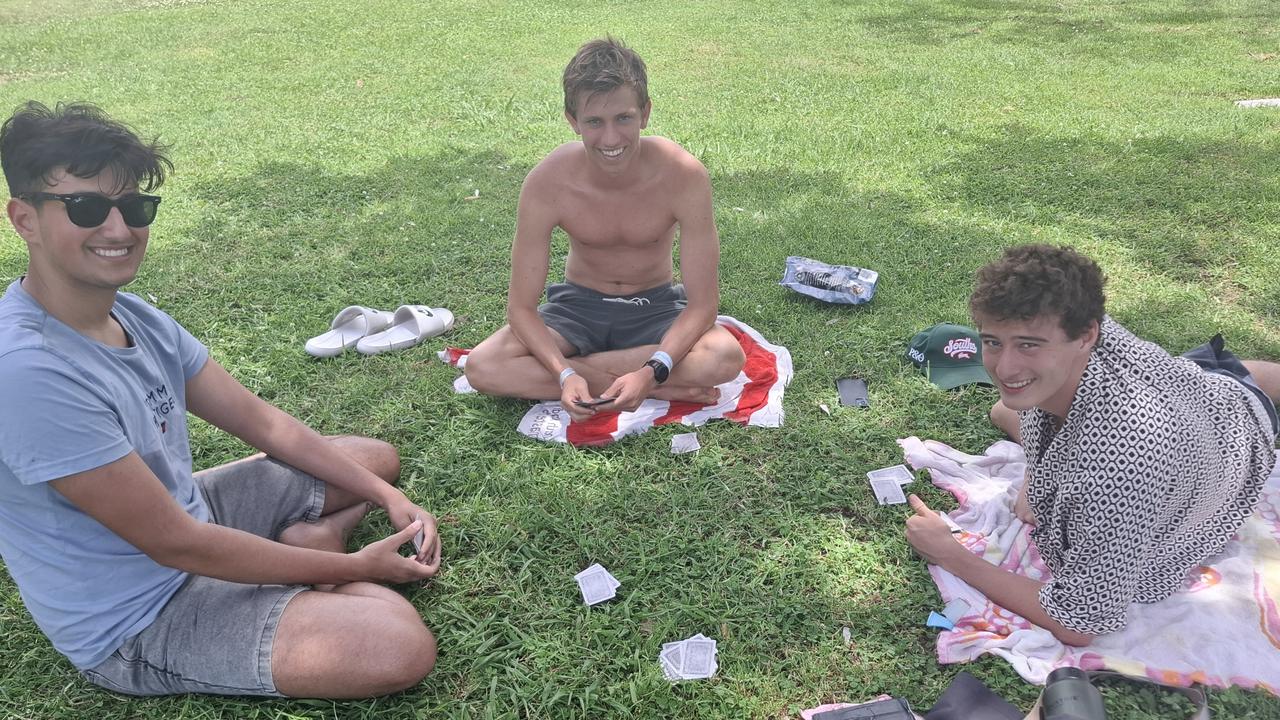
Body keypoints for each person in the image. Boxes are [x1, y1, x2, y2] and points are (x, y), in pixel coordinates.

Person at [0, 101, 442, 698]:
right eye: (85, 207)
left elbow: (265, 424)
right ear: (24, 219)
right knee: (394, 644)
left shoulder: (130, 314)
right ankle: (312, 566)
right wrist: (355, 570)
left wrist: (388, 497)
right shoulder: (28, 372)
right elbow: (174, 544)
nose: (119, 229)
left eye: (133, 206)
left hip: (188, 515)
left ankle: (304, 551)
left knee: (370, 461)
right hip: (137, 616)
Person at [906, 244, 1279, 646]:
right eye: (993, 342)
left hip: (1233, 419)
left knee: (1248, 386)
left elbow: (1081, 622)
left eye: (1028, 345)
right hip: (1187, 385)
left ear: (1088, 337)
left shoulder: (1117, 472)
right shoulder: (1073, 314)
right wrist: (1038, 474)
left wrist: (951, 555)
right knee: (1004, 408)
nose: (1004, 366)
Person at [463, 37, 746, 421]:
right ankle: (663, 388)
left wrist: (652, 369)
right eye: (595, 122)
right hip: (577, 309)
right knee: (482, 366)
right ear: (572, 120)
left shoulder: (683, 176)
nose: (611, 139)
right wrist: (564, 374)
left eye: (624, 118)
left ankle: (629, 379)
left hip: (655, 306)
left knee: (724, 356)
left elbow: (702, 305)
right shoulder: (547, 182)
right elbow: (521, 308)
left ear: (645, 113)